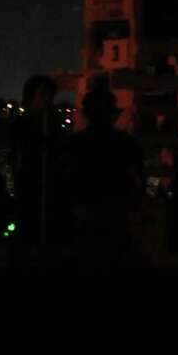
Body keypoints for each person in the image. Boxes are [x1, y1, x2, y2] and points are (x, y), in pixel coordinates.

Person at [64, 83, 144, 265]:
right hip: (116, 210)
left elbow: (66, 176)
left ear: (86, 114)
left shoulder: (75, 142)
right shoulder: (126, 142)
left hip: (85, 209)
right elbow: (137, 177)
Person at [10, 74, 62, 245]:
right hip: (29, 190)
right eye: (42, 95)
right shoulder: (23, 124)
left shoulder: (53, 123)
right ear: (31, 96)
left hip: (51, 191)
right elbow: (16, 159)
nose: (47, 100)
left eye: (50, 96)